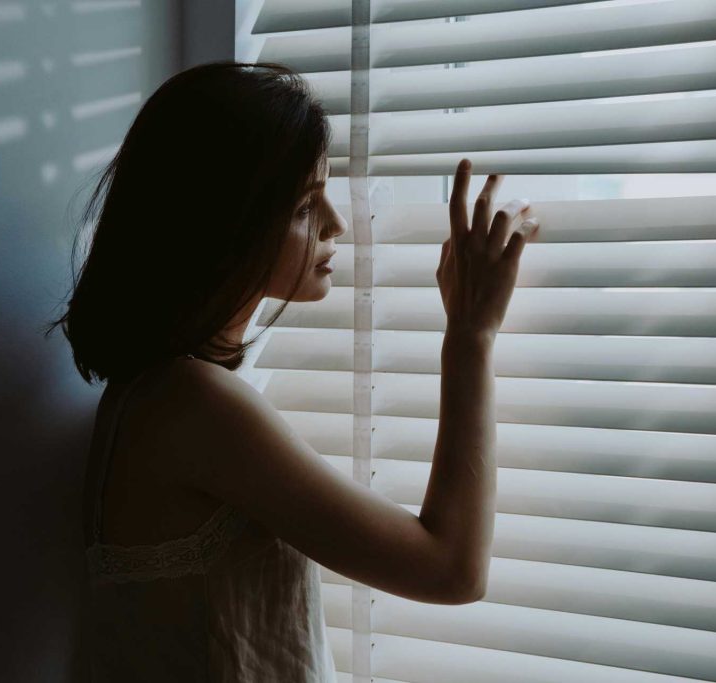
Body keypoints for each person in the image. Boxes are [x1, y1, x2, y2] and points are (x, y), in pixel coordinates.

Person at [46, 60, 539, 682]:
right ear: (226, 222)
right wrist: (470, 335)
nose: (336, 223)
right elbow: (451, 569)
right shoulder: (192, 403)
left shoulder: (150, 396)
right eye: (306, 205)